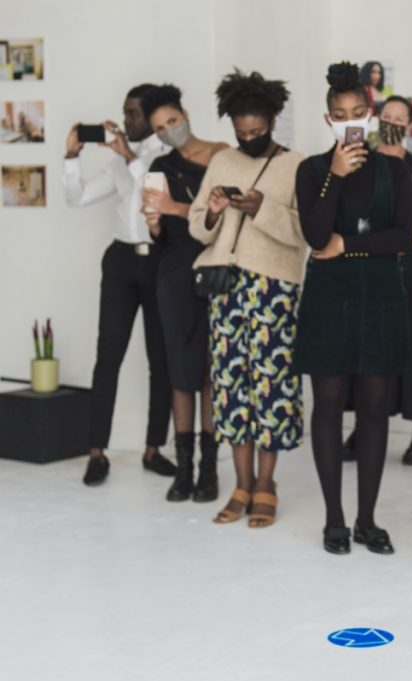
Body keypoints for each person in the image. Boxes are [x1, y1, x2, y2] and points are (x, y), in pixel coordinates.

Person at [294, 61, 412, 556]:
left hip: (382, 299)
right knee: (326, 406)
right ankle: (335, 520)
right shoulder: (312, 170)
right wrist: (336, 179)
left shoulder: (394, 168)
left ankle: (367, 519)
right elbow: (315, 235)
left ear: (370, 115)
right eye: (340, 114)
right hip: (329, 300)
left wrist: (350, 244)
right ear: (328, 120)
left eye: (358, 112)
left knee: (373, 410)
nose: (350, 121)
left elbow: (404, 236)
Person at [188, 69, 305, 529]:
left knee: (271, 389)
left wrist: (263, 209)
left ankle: (266, 484)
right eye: (241, 133)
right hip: (227, 290)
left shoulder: (297, 165)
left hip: (274, 289)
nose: (249, 139)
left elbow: (303, 234)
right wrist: (214, 211)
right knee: (231, 388)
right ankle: (240, 482)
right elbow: (197, 226)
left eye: (257, 132)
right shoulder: (222, 163)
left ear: (274, 120)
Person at [62, 84, 176, 487]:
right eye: (125, 113)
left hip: (159, 262)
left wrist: (129, 157)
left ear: (150, 116)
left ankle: (153, 449)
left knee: (159, 359)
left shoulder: (165, 154)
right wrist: (72, 157)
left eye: (133, 114)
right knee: (107, 355)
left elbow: (154, 193)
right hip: (121, 262)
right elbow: (77, 198)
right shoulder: (118, 161)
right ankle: (97, 452)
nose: (126, 120)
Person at [140, 84, 228, 503]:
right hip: (174, 271)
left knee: (211, 369)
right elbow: (160, 235)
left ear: (185, 114)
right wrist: (154, 221)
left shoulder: (222, 155)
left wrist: (177, 208)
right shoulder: (159, 164)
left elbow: (225, 217)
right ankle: (184, 469)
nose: (168, 132)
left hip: (215, 266)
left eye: (172, 121)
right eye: (160, 128)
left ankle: (209, 470)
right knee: (180, 372)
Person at [344, 95, 412, 465]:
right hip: (366, 270)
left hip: (406, 270)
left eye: (400, 118)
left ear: (410, 124)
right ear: (376, 119)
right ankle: (362, 428)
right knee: (366, 348)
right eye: (387, 116)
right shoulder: (359, 162)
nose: (393, 122)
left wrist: (386, 247)